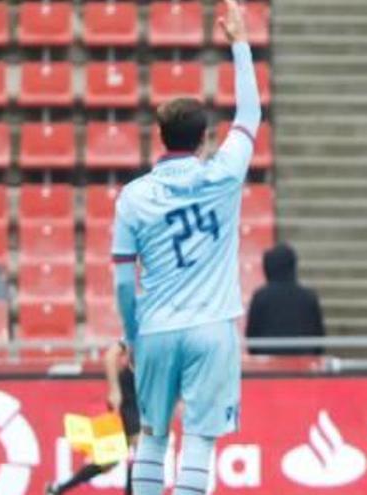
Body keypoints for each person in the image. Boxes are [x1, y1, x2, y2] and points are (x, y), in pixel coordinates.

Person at [111, 2, 260, 494]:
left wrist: (131, 336)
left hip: (154, 328)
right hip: (211, 327)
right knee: (199, 438)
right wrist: (239, 41)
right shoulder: (224, 173)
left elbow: (123, 280)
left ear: (161, 136)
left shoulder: (133, 197)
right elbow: (251, 115)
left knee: (152, 436)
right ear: (203, 141)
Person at [46, 343, 139, 495]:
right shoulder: (137, 331)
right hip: (129, 395)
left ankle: (58, 489)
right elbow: (110, 356)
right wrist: (115, 390)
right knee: (138, 449)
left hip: (145, 395)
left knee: (109, 461)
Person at [246, 244, 325, 356]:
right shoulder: (309, 297)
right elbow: (319, 337)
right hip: (302, 364)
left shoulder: (260, 297)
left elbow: (252, 337)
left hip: (268, 366)